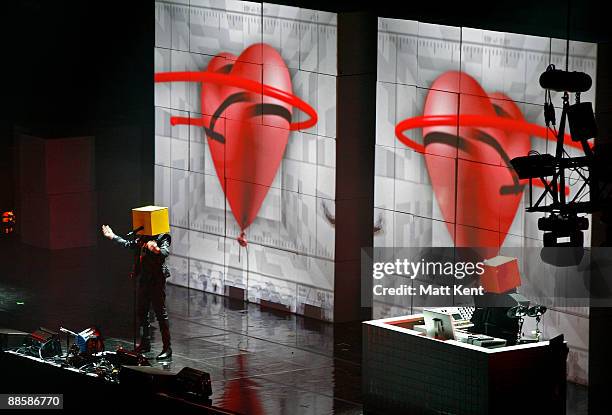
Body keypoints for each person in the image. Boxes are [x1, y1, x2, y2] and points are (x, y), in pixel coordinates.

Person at [101, 224, 173, 360]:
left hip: (157, 280)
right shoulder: (142, 237)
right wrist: (113, 237)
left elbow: (165, 252)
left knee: (160, 314)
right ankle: (145, 344)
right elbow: (129, 244)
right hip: (144, 278)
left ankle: (167, 348)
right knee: (142, 311)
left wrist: (156, 249)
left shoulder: (163, 236)